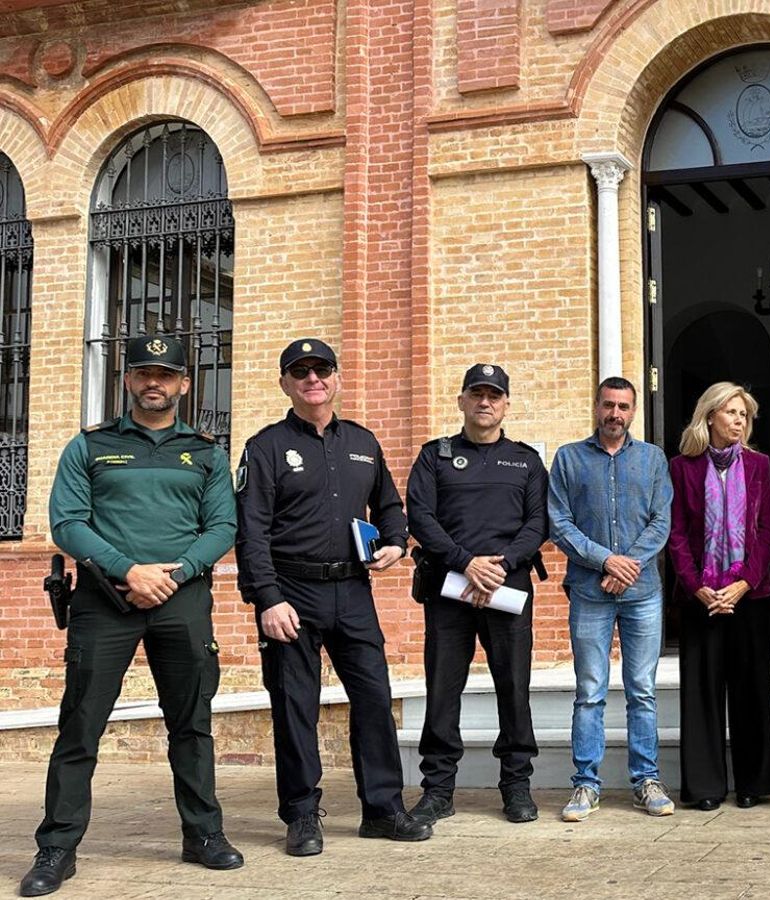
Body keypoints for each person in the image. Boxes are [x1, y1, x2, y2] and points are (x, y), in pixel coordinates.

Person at [21, 336, 242, 898]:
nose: (154, 382)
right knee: (81, 724)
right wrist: (129, 571)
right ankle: (57, 847)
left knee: (191, 724)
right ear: (127, 380)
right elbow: (67, 523)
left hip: (182, 599)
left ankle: (203, 834)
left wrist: (174, 574)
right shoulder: (90, 445)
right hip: (103, 601)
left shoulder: (206, 452)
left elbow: (223, 526)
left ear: (184, 384)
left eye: (165, 374)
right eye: (144, 372)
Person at [235, 338, 430, 856]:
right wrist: (267, 598)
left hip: (353, 590)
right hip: (291, 593)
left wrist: (395, 542)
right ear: (285, 383)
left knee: (374, 699)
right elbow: (251, 531)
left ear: (337, 378)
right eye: (300, 371)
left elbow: (390, 505)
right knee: (295, 706)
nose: (312, 379)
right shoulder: (265, 447)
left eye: (321, 369)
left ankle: (383, 810)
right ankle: (301, 815)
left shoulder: (363, 442)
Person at [405, 364, 549, 826]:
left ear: (506, 404)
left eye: (494, 395)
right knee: (443, 689)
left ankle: (516, 786)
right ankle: (438, 789)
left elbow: (538, 523)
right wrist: (466, 562)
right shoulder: (435, 456)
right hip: (450, 587)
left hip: (507, 588)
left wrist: (499, 567)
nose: (485, 402)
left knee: (514, 688)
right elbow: (420, 517)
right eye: (476, 394)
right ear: (462, 401)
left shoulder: (526, 461)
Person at [548, 376, 675, 821]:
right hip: (590, 592)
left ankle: (646, 781)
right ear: (596, 406)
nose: (614, 414)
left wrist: (627, 566)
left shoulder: (653, 459)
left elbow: (661, 521)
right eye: (608, 405)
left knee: (643, 690)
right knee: (589, 691)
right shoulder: (568, 458)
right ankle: (585, 784)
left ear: (633, 411)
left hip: (642, 594)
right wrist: (606, 561)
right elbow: (559, 523)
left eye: (623, 407)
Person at [667, 382, 770, 811]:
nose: (738, 420)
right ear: (710, 415)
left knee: (751, 690)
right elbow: (676, 532)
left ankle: (753, 782)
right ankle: (705, 786)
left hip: (747, 595)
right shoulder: (682, 467)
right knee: (702, 693)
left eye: (743, 415)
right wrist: (696, 586)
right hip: (700, 597)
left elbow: (768, 532)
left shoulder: (758, 465)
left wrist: (743, 583)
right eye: (731, 412)